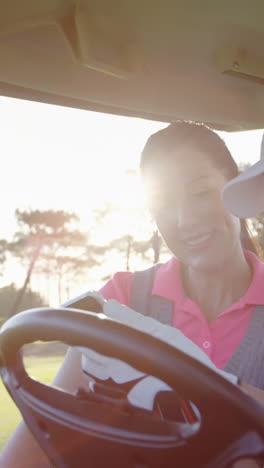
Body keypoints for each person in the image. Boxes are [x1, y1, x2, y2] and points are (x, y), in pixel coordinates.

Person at [2, 121, 264, 467]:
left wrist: (219, 386)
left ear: (235, 186)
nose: (185, 220)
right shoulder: (122, 297)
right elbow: (45, 439)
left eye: (201, 192)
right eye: (164, 203)